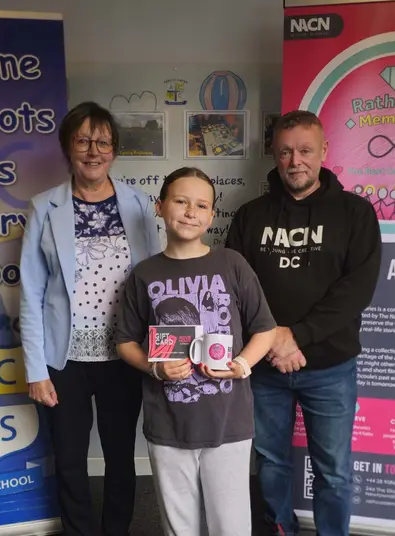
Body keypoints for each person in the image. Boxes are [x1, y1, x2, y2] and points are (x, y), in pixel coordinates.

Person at [225, 110, 382, 536]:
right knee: (271, 461)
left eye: (305, 150)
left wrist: (296, 336)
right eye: (285, 152)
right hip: (263, 369)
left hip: (330, 368)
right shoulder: (249, 215)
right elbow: (234, 288)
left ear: (324, 151)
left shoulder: (355, 213)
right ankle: (280, 530)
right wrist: (272, 340)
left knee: (332, 469)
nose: (295, 160)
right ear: (274, 155)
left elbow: (357, 289)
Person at [19, 101, 161, 536]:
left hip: (125, 354)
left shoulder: (139, 204)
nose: (93, 151)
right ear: (68, 147)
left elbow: (156, 284)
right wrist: (36, 369)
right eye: (83, 140)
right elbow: (31, 291)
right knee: (69, 458)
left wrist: (159, 353)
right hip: (65, 361)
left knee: (121, 456)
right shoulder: (44, 207)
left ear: (114, 150)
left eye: (103, 142)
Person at [114, 167, 278, 536]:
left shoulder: (232, 264)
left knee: (231, 525)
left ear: (211, 216)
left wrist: (242, 364)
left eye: (202, 205)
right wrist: (155, 369)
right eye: (181, 201)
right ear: (160, 207)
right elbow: (124, 341)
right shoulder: (144, 274)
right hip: (168, 424)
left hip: (229, 422)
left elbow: (265, 329)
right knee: (179, 527)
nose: (191, 212)